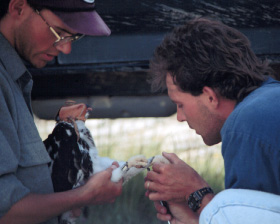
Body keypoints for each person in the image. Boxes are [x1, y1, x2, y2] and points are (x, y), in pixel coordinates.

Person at [145, 17, 280, 223]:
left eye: (180, 104)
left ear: (210, 96)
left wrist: (197, 194)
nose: (180, 117)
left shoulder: (246, 125)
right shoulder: (270, 102)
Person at [0, 0, 122, 223]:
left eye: (74, 37)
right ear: (18, 8)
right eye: (59, 32)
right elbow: (5, 211)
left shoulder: (12, 77)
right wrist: (85, 195)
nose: (66, 48)